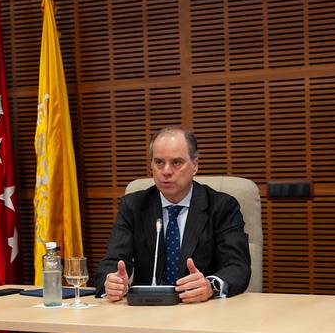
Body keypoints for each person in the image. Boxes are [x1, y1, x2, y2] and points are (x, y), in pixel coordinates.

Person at [95, 126, 251, 303]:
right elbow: (111, 263)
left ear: (195, 165)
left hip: (201, 311)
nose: (166, 171)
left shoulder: (222, 206)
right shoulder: (134, 206)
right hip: (146, 312)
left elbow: (238, 267)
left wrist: (210, 286)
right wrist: (112, 282)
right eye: (159, 162)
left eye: (176, 162)